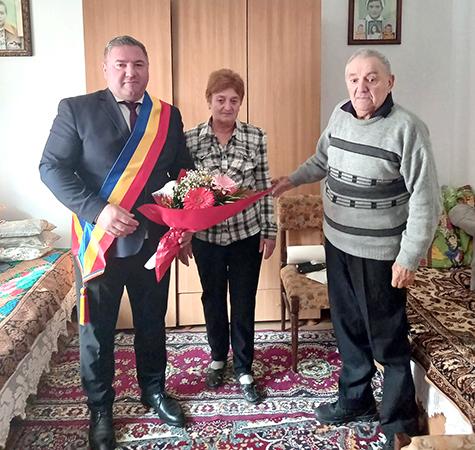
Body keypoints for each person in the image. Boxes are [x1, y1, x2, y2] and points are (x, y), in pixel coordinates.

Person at [272, 49, 440, 450]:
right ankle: (355, 399)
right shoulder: (339, 114)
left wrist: (408, 257)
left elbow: (426, 200)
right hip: (336, 243)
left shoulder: (408, 129)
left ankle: (399, 422)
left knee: (387, 337)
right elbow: (322, 159)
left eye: (372, 78)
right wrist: (292, 179)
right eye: (354, 79)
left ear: (390, 82)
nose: (361, 87)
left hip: (380, 253)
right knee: (347, 328)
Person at [39, 35, 194, 450]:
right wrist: (98, 210)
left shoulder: (167, 116)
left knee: (151, 322)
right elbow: (51, 168)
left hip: (152, 245)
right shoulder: (76, 109)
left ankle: (154, 390)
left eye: (139, 64)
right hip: (99, 245)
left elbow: (183, 171)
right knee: (97, 331)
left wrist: (186, 222)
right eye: (121, 64)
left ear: (148, 68)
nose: (130, 72)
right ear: (106, 68)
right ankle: (101, 408)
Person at [184, 68, 277, 404]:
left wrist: (270, 229)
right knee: (212, 298)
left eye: (233, 100)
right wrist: (183, 234)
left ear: (241, 103)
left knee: (243, 300)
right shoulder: (190, 139)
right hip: (206, 238)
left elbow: (264, 187)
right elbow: (182, 190)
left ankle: (243, 367)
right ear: (209, 100)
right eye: (220, 99)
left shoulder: (256, 137)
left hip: (246, 235)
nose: (227, 106)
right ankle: (217, 358)